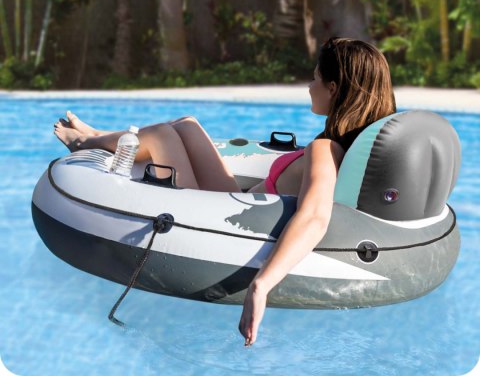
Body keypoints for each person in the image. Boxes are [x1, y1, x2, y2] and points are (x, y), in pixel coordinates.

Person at [54, 37, 396, 346]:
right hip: (233, 199)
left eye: (315, 78)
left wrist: (261, 285)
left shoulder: (325, 149)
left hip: (218, 218)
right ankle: (96, 135)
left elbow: (315, 217)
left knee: (162, 135)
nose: (309, 86)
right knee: (187, 125)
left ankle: (86, 143)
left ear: (333, 88)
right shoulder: (345, 146)